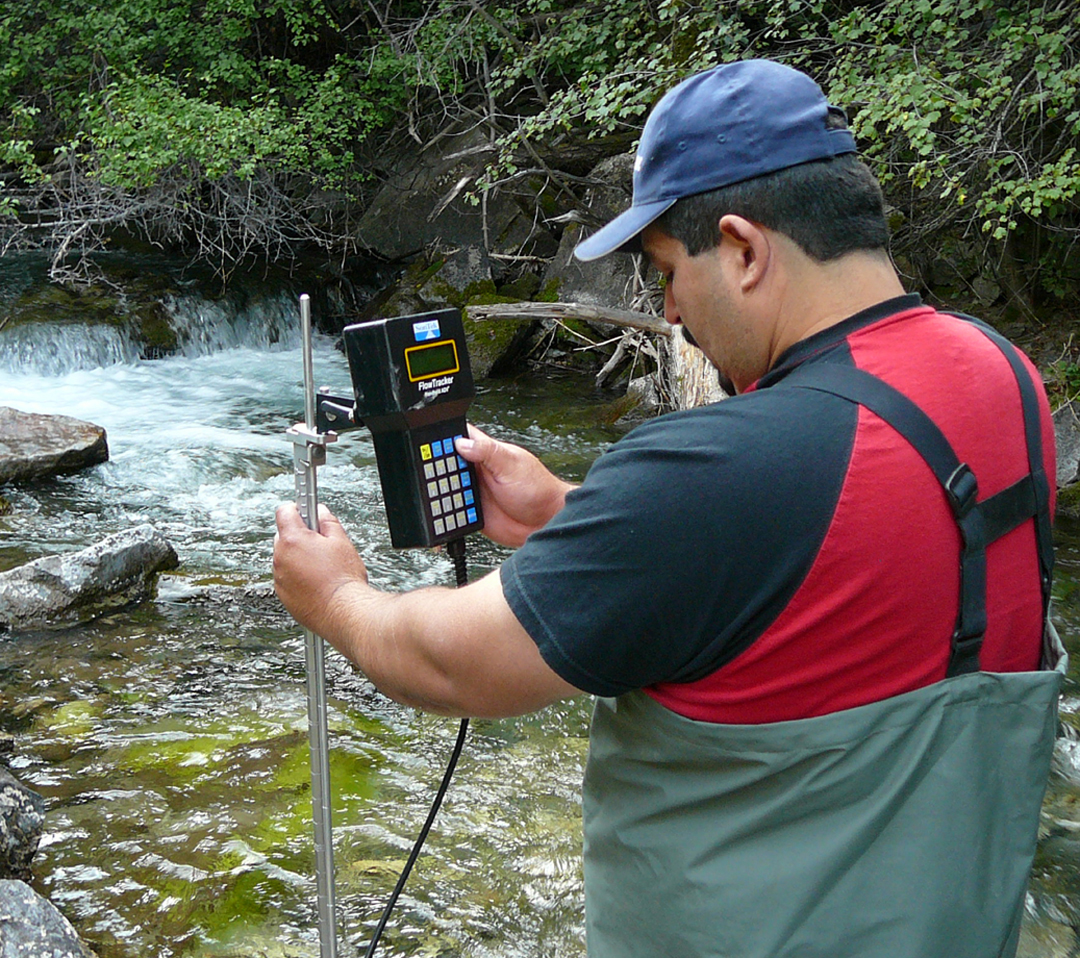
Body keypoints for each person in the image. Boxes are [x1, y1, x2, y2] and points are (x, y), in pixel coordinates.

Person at [274, 59, 1065, 957]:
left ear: (743, 248)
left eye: (666, 273)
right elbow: (834, 569)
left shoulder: (721, 469)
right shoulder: (1002, 376)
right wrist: (566, 514)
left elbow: (459, 667)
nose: (674, 313)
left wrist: (334, 597)